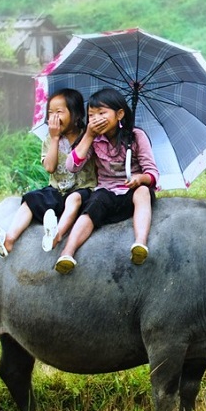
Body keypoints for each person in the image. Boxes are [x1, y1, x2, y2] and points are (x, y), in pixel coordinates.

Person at [54, 87, 159, 274]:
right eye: (91, 115)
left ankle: (140, 243)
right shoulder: (94, 140)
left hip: (132, 192)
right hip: (107, 192)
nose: (96, 119)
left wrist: (139, 179)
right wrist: (88, 135)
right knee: (94, 203)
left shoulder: (136, 136)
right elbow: (72, 166)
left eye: (102, 113)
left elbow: (152, 173)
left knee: (143, 192)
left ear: (119, 114)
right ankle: (67, 252)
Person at [0, 88, 97, 258]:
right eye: (50, 112)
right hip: (57, 190)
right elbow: (50, 168)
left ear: (76, 115)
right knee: (32, 199)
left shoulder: (87, 137)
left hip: (82, 191)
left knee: (74, 198)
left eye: (59, 112)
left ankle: (55, 235)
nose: (54, 117)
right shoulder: (49, 139)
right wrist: (54, 139)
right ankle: (8, 240)